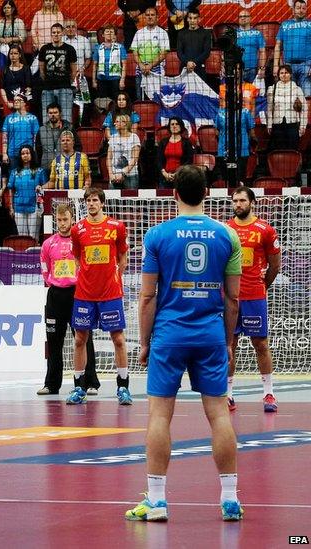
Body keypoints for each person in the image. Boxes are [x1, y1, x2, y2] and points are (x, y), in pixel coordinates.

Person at [127, 165, 243, 522]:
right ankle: (230, 499)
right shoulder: (228, 236)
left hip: (169, 335)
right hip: (209, 334)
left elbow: (147, 296)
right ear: (207, 193)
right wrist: (227, 343)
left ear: (173, 193)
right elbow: (233, 299)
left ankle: (158, 501)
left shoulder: (158, 235)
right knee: (219, 414)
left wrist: (145, 342)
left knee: (160, 415)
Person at [66, 187, 131, 406]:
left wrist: (115, 278)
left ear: (102, 203)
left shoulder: (116, 227)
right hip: (84, 294)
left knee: (119, 339)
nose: (91, 203)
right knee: (79, 340)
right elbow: (77, 258)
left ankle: (123, 387)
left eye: (95, 200)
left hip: (110, 293)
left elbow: (123, 257)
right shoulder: (77, 229)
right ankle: (78, 387)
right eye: (88, 200)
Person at [226, 186, 281, 413]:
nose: (238, 205)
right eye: (235, 201)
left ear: (252, 203)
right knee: (229, 346)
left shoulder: (265, 230)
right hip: (230, 298)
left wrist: (262, 286)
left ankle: (268, 393)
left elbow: (275, 265)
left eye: (241, 201)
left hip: (254, 297)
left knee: (260, 344)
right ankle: (227, 394)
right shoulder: (225, 229)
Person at [37, 203, 97, 395]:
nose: (62, 224)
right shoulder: (48, 244)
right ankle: (52, 384)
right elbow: (45, 268)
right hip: (55, 295)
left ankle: (89, 383)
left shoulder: (80, 241)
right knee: (54, 341)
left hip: (78, 294)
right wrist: (55, 282)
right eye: (59, 220)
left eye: (66, 220)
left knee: (83, 338)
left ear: (72, 219)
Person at [38, 24, 77, 126]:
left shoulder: (70, 49)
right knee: (47, 119)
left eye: (58, 32)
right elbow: (41, 69)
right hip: (47, 88)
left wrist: (68, 81)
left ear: (62, 33)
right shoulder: (44, 49)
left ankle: (67, 138)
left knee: (66, 119)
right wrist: (47, 80)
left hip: (64, 87)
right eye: (54, 32)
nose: (56, 34)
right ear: (51, 34)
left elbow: (74, 70)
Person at [215, 94, 256, 184]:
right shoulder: (220, 113)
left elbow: (252, 132)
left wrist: (252, 143)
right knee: (226, 176)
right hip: (224, 149)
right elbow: (217, 132)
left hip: (242, 149)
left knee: (240, 176)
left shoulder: (245, 112)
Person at [7, 145, 45, 240]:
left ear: (32, 154)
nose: (25, 155)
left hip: (35, 208)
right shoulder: (14, 172)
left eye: (27, 153)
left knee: (33, 238)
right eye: (22, 153)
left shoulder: (40, 171)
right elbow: (10, 189)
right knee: (22, 238)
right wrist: (11, 207)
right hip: (19, 208)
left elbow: (45, 188)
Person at [130, 7, 170, 98]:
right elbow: (135, 52)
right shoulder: (139, 33)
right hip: (141, 70)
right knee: (140, 98)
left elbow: (163, 54)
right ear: (144, 17)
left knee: (157, 98)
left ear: (157, 17)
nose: (150, 17)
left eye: (152, 15)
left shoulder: (163, 33)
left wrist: (150, 66)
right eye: (147, 15)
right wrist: (141, 65)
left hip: (157, 71)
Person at [266, 65, 307, 152]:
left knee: (292, 150)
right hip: (277, 125)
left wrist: (303, 125)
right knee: (278, 150)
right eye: (281, 73)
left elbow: (304, 108)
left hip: (293, 124)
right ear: (278, 75)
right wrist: (269, 124)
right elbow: (269, 109)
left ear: (291, 74)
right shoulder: (272, 89)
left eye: (286, 73)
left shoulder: (297, 89)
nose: (284, 75)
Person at [274, 0, 311, 98]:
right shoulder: (285, 25)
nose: (301, 10)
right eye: (298, 8)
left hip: (306, 65)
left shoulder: (310, 24)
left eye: (303, 8)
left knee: (307, 95)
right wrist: (275, 66)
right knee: (290, 97)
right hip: (288, 66)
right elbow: (278, 45)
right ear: (293, 10)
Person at [1, 93, 40, 172]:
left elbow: (36, 137)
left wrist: (35, 153)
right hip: (12, 153)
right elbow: (5, 137)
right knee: (13, 176)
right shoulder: (8, 118)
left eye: (19, 100)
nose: (15, 102)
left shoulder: (32, 118)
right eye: (15, 100)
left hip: (27, 153)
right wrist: (4, 153)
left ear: (25, 103)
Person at [92, 25, 127, 104]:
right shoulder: (98, 48)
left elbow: (124, 65)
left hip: (115, 79)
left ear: (114, 35)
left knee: (115, 102)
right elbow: (94, 65)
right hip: (101, 79)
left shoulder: (120, 47)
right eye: (107, 32)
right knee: (102, 103)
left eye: (111, 32)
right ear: (103, 35)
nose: (109, 34)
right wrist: (94, 81)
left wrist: (122, 80)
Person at [157, 118, 195, 189]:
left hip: (181, 178)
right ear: (169, 127)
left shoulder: (186, 143)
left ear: (181, 126)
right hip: (165, 178)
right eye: (172, 124)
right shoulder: (163, 142)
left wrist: (177, 174)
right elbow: (159, 160)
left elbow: (189, 160)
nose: (174, 126)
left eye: (177, 124)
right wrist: (164, 173)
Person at [107, 114, 141, 189]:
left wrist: (123, 174)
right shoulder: (113, 137)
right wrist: (110, 174)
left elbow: (134, 159)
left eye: (117, 121)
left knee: (131, 199)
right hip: (114, 175)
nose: (114, 123)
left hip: (131, 176)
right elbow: (109, 158)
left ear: (124, 123)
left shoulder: (134, 137)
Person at [176, 10, 210, 78]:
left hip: (200, 69)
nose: (192, 20)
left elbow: (206, 52)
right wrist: (187, 63)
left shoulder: (205, 33)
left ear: (199, 19)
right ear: (187, 19)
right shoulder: (181, 34)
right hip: (184, 68)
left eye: (195, 18)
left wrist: (193, 63)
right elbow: (179, 52)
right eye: (190, 18)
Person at [0, 0, 26, 72]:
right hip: (3, 50)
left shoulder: (19, 22)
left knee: (16, 70)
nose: (6, 10)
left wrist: (12, 39)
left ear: (13, 9)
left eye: (8, 8)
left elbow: (23, 37)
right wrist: (1, 39)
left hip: (16, 49)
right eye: (5, 8)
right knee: (3, 70)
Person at [0, 45, 32, 112]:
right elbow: (2, 88)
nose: (13, 55)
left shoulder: (26, 69)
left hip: (23, 103)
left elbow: (28, 87)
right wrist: (7, 103)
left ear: (20, 55)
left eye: (15, 53)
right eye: (11, 53)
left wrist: (23, 102)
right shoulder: (5, 70)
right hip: (9, 102)